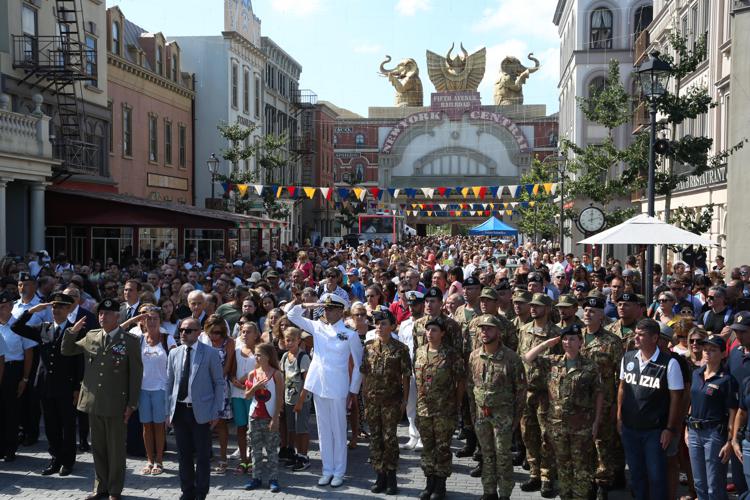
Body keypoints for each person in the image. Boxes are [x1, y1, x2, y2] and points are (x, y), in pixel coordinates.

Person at [62, 298, 143, 500]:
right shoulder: (91, 336)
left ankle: (115, 490)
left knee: (115, 450)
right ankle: (100, 487)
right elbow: (67, 350)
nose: (102, 317)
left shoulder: (129, 341)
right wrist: (71, 332)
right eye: (100, 314)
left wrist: (132, 404)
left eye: (107, 314)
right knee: (98, 448)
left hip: (116, 403)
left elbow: (135, 375)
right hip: (94, 401)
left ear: (117, 316)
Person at [287, 293, 364, 488]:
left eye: (331, 309)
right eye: (325, 308)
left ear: (340, 311)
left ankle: (339, 471)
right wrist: (308, 304)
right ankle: (327, 470)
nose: (326, 312)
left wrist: (353, 391)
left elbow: (358, 365)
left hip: (339, 388)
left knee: (338, 431)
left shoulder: (350, 334)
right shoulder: (318, 327)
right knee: (323, 431)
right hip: (319, 385)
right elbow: (291, 315)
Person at [523, 324, 603, 500]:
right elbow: (528, 358)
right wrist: (547, 344)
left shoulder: (590, 367)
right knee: (562, 466)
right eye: (565, 339)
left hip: (581, 427)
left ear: (580, 342)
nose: (568, 342)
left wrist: (597, 421)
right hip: (557, 426)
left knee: (581, 467)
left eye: (572, 339)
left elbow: (598, 394)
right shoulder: (553, 361)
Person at [10, 292, 80, 475]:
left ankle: (68, 461)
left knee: (68, 426)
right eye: (54, 306)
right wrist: (32, 311)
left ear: (68, 309)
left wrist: (77, 387)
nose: (56, 310)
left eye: (61, 306)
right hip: (46, 385)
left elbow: (80, 362)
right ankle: (55, 458)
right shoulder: (44, 328)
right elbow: (16, 327)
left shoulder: (75, 330)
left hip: (66, 386)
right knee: (51, 426)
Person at [617, 318, 685, 500]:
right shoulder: (628, 357)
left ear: (655, 338)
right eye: (635, 334)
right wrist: (619, 418)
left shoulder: (669, 363)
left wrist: (670, 429)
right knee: (637, 476)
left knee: (656, 477)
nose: (636, 338)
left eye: (641, 335)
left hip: (654, 432)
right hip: (630, 429)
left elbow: (676, 398)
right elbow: (622, 388)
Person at [166, 317, 225, 500]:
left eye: (188, 330)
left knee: (202, 456)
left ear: (199, 332)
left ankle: (201, 492)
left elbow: (219, 383)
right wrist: (168, 411)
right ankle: (187, 491)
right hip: (180, 410)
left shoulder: (210, 353)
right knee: (183, 455)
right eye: (181, 330)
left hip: (202, 412)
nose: (183, 333)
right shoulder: (174, 353)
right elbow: (170, 383)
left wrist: (216, 410)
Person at [469, 315, 526, 500]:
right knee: (487, 454)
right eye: (482, 328)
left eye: (489, 328)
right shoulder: (474, 356)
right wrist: (473, 413)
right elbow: (471, 386)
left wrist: (516, 419)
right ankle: (489, 491)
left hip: (503, 417)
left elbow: (521, 390)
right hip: (481, 415)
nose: (484, 332)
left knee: (503, 456)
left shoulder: (511, 358)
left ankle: (505, 494)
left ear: (499, 332)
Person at [360, 308, 411, 495]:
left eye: (383, 324)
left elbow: (406, 377)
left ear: (392, 326)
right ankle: (379, 475)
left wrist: (404, 402)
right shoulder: (369, 346)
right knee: (375, 439)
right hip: (373, 401)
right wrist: (365, 399)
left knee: (389, 439)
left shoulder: (401, 349)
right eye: (377, 323)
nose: (379, 327)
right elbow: (364, 373)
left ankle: (391, 477)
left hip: (391, 402)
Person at [414, 316, 465, 500]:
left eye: (434, 330)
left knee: (442, 447)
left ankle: (440, 485)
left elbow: (460, 381)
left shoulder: (451, 355)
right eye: (428, 330)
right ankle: (429, 483)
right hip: (424, 409)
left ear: (442, 333)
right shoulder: (419, 352)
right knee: (428, 447)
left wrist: (457, 404)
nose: (430, 333)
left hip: (445, 409)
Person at [579, 295, 625, 498]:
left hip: (604, 402)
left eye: (593, 311)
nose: (587, 313)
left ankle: (602, 484)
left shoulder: (612, 341)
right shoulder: (576, 337)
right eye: (586, 310)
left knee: (603, 444)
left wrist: (616, 403)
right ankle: (586, 481)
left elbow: (619, 375)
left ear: (601, 316)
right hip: (579, 403)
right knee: (583, 443)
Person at [517, 293, 560, 497]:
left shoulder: (556, 334)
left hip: (547, 393)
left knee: (546, 436)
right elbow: (520, 358)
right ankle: (534, 474)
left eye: (538, 305)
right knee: (528, 434)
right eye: (532, 305)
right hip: (527, 391)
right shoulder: (524, 330)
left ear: (548, 308)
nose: (533, 308)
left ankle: (547, 477)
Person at [686, 335, 736, 500]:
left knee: (714, 485)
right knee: (699, 483)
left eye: (713, 350)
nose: (707, 353)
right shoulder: (696, 373)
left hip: (714, 434)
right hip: (694, 431)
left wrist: (730, 441)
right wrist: (687, 427)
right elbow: (692, 401)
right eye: (705, 349)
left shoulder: (726, 379)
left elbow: (733, 412)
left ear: (723, 354)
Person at [128, 303, 175, 476]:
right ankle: (149, 460)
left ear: (160, 320)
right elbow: (119, 331)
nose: (152, 322)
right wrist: (135, 319)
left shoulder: (167, 338)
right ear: (143, 321)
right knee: (146, 427)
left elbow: (176, 363)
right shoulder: (139, 339)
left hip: (161, 389)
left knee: (159, 426)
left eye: (155, 318)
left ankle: (160, 461)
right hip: (143, 389)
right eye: (148, 319)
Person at [243, 342, 284, 493]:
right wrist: (255, 387)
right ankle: (256, 478)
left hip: (270, 416)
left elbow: (279, 398)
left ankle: (273, 479)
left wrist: (276, 418)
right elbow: (246, 396)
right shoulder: (252, 374)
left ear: (268, 356)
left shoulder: (276, 374)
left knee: (272, 449)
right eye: (256, 354)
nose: (256, 357)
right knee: (255, 449)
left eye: (259, 354)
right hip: (254, 417)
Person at [198, 314, 235, 474]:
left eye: (219, 333)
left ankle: (223, 458)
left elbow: (228, 365)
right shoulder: (201, 338)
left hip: (220, 386)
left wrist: (216, 381)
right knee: (203, 423)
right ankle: (205, 457)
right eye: (212, 332)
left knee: (220, 424)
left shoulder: (229, 342)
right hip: (203, 386)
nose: (215, 336)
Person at [229, 321, 259, 475]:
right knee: (241, 428)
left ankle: (254, 460)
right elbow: (232, 371)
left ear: (256, 334)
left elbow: (262, 373)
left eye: (248, 331)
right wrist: (234, 380)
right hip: (237, 395)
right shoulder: (236, 350)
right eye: (242, 331)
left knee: (253, 429)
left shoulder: (260, 352)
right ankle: (243, 460)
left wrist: (247, 384)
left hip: (254, 395)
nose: (245, 334)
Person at [281, 326, 312, 471]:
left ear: (299, 340)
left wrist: (300, 401)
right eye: (287, 340)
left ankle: (303, 456)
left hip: (301, 399)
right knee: (291, 428)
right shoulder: (285, 357)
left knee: (302, 429)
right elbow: (282, 378)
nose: (290, 343)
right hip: (288, 399)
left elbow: (307, 382)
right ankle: (293, 453)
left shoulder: (303, 357)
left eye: (293, 340)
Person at [399, 290, 425, 451]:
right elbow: (403, 347)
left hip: (423, 368)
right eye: (410, 304)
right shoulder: (404, 324)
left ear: (422, 304)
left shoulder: (427, 323)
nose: (412, 307)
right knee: (410, 403)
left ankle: (422, 436)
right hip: (408, 368)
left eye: (415, 304)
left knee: (423, 404)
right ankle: (413, 435)